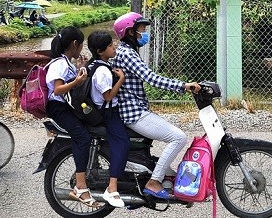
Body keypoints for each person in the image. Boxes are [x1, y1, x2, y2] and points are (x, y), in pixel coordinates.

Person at [111, 12, 200, 200]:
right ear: (130, 32)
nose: (144, 33)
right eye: (141, 29)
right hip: (133, 113)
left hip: (136, 110)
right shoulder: (127, 54)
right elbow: (151, 78)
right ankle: (154, 181)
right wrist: (183, 86)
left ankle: (163, 176)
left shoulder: (125, 51)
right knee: (178, 138)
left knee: (172, 139)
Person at [45, 27, 99, 209]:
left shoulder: (66, 62)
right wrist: (77, 81)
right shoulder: (58, 63)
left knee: (91, 130)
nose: (81, 49)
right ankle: (80, 186)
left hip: (64, 106)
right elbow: (58, 89)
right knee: (82, 136)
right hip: (57, 108)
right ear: (75, 44)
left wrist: (80, 69)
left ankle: (91, 171)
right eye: (81, 45)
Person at [87, 30, 129, 208]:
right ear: (100, 51)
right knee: (122, 142)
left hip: (106, 110)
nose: (114, 48)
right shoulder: (103, 70)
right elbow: (108, 96)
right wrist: (121, 78)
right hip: (107, 113)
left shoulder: (94, 65)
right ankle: (112, 187)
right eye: (110, 46)